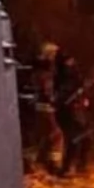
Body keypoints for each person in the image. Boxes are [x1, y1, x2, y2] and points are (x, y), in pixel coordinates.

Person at [54, 52, 92, 177]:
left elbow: (83, 89)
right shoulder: (61, 77)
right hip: (69, 111)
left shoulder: (76, 75)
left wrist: (84, 97)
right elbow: (61, 95)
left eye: (72, 61)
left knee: (86, 137)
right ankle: (68, 167)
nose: (71, 64)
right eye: (68, 62)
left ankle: (82, 164)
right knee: (74, 138)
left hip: (79, 110)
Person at [32, 42, 62, 174]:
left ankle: (31, 161)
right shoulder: (45, 72)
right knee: (55, 135)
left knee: (40, 135)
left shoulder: (39, 70)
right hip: (45, 106)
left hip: (39, 106)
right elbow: (47, 90)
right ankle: (53, 164)